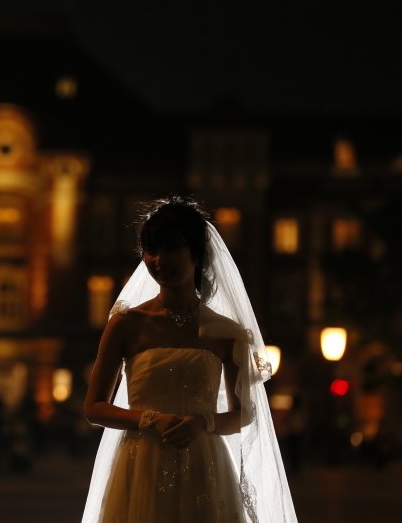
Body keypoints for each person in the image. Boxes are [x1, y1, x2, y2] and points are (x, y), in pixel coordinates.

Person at [82, 197, 297, 523]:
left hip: (204, 464)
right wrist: (149, 419)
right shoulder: (126, 324)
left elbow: (243, 415)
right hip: (141, 463)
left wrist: (204, 422)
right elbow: (94, 407)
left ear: (196, 254)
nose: (158, 260)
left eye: (171, 249)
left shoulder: (227, 332)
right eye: (151, 250)